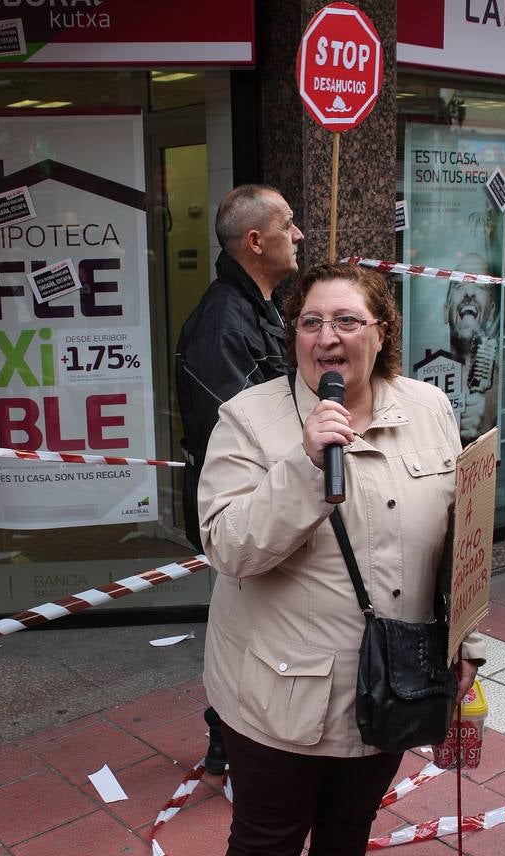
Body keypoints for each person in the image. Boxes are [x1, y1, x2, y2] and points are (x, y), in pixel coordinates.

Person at [198, 261, 485, 856]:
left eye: (348, 320)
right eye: (311, 322)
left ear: (382, 333)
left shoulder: (430, 407)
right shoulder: (248, 420)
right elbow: (228, 546)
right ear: (293, 335)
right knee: (264, 847)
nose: (327, 337)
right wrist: (304, 465)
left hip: (393, 688)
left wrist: (463, 642)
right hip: (278, 699)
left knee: (347, 837)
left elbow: (457, 538)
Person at [175, 184, 304, 775]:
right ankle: (232, 739)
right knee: (244, 627)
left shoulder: (257, 305)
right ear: (255, 241)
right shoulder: (224, 324)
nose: (298, 234)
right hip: (245, 513)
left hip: (267, 507)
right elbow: (240, 439)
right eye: (288, 225)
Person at [444, 253, 500, 443]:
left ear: (491, 311)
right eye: (460, 285)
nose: (469, 293)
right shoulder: (423, 375)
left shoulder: (498, 385)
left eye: (480, 285)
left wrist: (486, 421)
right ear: (446, 311)